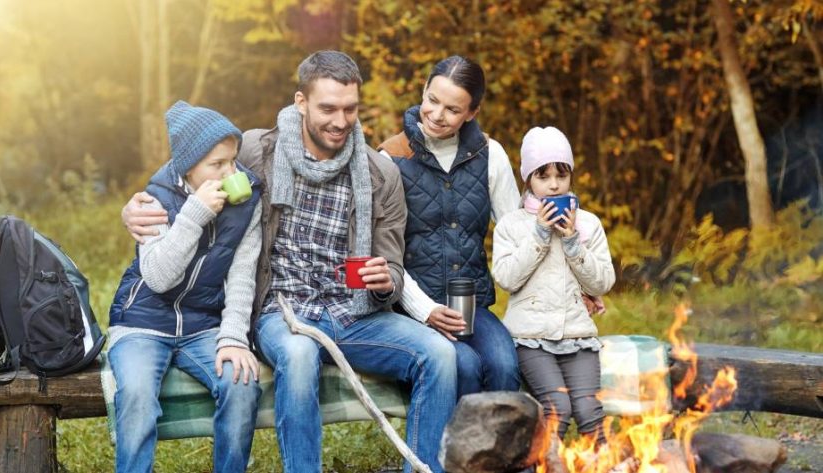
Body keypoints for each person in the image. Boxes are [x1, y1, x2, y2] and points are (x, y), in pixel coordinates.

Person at [123, 51, 457, 473]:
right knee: (299, 354)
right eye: (328, 109)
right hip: (280, 309)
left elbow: (391, 263)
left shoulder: (380, 175)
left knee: (439, 355)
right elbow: (186, 169)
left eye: (350, 109)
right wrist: (133, 208)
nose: (340, 121)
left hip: (351, 312)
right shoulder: (254, 150)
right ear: (301, 102)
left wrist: (384, 279)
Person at [108, 100, 263, 473]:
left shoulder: (248, 201)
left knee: (242, 385)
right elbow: (160, 278)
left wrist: (232, 338)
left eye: (233, 160)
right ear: (188, 167)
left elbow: (243, 275)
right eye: (217, 164)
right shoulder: (155, 199)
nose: (230, 172)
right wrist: (195, 213)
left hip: (202, 325)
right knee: (137, 394)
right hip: (141, 323)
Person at [378, 55, 521, 398]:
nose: (437, 115)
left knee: (505, 366)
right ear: (424, 91)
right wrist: (425, 311)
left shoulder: (491, 154)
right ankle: (458, 452)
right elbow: (385, 253)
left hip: (472, 307)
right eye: (432, 100)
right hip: (413, 311)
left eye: (453, 110)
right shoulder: (391, 158)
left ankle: (501, 451)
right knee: (465, 367)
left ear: (472, 112)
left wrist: (571, 285)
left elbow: (518, 234)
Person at [491, 126, 615, 442]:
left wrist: (573, 241)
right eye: (543, 176)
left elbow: (603, 282)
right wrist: (540, 234)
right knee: (557, 407)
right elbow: (506, 278)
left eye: (561, 175)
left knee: (589, 413)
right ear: (528, 180)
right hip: (529, 338)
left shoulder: (588, 224)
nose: (554, 185)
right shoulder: (512, 225)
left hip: (578, 336)